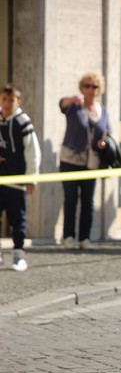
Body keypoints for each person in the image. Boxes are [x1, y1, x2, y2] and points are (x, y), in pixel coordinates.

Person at [59, 72, 111, 250]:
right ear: (82, 88)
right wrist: (72, 99)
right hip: (70, 160)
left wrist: (103, 143)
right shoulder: (75, 106)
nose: (90, 90)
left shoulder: (102, 110)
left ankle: (85, 238)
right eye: (87, 86)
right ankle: (68, 236)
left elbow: (107, 132)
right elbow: (61, 104)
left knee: (88, 201)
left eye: (94, 86)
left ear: (99, 89)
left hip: (91, 162)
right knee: (71, 199)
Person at [0, 83, 41, 271]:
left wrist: (31, 178)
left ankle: (18, 255)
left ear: (18, 102)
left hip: (16, 181)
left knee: (18, 220)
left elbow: (32, 152)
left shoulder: (23, 122)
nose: (7, 104)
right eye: (4, 99)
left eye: (11, 100)